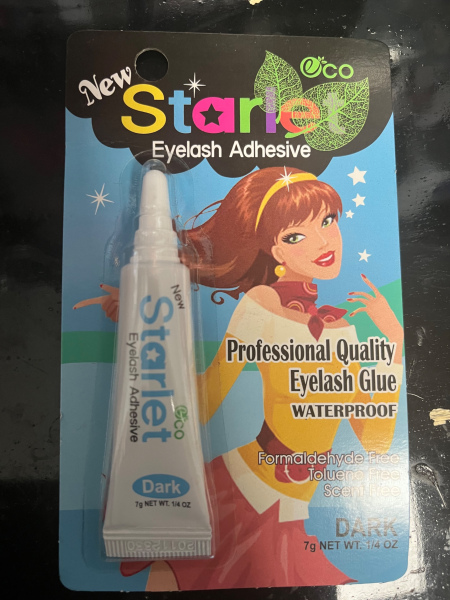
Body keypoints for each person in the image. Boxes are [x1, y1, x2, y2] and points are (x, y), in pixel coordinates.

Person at [75, 167, 404, 590]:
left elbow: (375, 440)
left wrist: (394, 344)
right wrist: (145, 326)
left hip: (294, 506)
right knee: (175, 578)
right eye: (295, 235)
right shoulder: (261, 304)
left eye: (327, 221)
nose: (324, 242)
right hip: (243, 487)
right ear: (274, 250)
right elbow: (205, 401)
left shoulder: (345, 332)